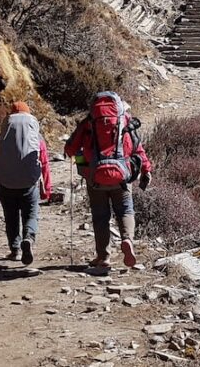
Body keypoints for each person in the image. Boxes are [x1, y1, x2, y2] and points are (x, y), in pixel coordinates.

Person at [64, 92, 151, 269]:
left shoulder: (88, 122)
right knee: (125, 210)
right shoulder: (125, 120)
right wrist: (146, 170)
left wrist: (80, 156)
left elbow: (71, 149)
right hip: (122, 176)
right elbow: (138, 149)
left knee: (100, 216)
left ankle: (103, 257)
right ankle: (127, 240)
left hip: (95, 177)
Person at [0, 102, 51, 265]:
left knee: (11, 217)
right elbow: (44, 163)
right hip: (29, 184)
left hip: (6, 184)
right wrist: (46, 191)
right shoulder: (37, 137)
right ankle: (28, 238)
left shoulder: (1, 138)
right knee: (31, 215)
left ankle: (15, 250)